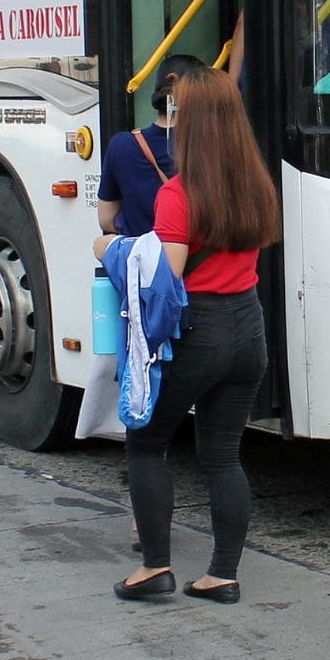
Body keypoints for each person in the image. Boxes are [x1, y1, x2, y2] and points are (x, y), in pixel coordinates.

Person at [102, 64, 275, 604]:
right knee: (223, 455)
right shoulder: (255, 184)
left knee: (147, 443)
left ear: (191, 123)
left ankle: (155, 567)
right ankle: (222, 574)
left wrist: (110, 250)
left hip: (197, 331)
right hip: (249, 327)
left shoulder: (180, 194)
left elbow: (164, 273)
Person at [99, 54, 202, 239]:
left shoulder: (121, 146)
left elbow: (106, 219)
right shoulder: (209, 145)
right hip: (194, 261)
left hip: (144, 264)